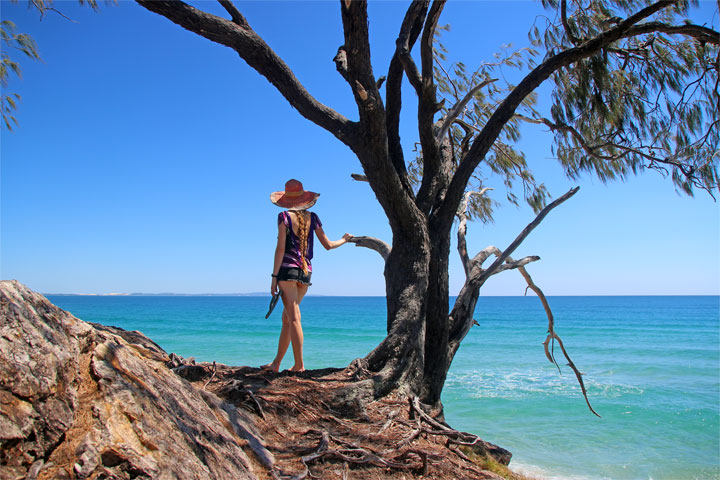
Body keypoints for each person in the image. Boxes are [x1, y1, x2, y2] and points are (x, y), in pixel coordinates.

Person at [261, 179, 352, 373]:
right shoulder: (314, 217)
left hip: (287, 272)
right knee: (287, 318)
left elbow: (280, 249)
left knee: (293, 318)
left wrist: (274, 277)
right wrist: (344, 240)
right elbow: (327, 245)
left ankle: (299, 365)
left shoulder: (284, 217)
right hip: (306, 272)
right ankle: (276, 363)